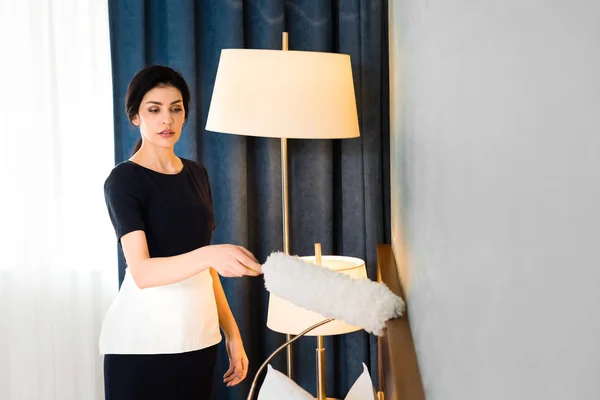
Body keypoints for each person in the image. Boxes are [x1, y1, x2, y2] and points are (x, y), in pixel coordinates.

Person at [99, 65, 262, 400]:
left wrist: (231, 334)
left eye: (176, 109)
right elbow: (143, 272)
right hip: (141, 345)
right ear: (135, 117)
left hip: (198, 338)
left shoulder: (197, 174)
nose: (167, 120)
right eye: (154, 110)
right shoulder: (124, 180)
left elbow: (206, 269)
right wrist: (210, 255)